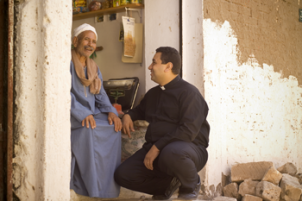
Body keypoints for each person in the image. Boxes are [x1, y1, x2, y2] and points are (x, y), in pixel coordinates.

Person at [114, 46, 210, 200]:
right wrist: (128, 116)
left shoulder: (190, 93)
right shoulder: (153, 94)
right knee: (123, 175)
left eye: (154, 62)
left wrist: (157, 147)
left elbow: (187, 132)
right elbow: (139, 111)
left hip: (188, 151)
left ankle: (191, 184)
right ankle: (169, 185)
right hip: (160, 151)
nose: (149, 67)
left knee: (171, 153)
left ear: (168, 66)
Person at [70, 23, 122, 198]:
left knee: (113, 129)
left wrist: (112, 112)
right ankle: (87, 187)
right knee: (88, 128)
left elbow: (100, 94)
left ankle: (107, 188)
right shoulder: (66, 63)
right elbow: (63, 94)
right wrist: (82, 113)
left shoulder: (93, 67)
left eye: (93, 41)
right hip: (73, 114)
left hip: (92, 112)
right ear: (75, 40)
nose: (90, 44)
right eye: (86, 39)